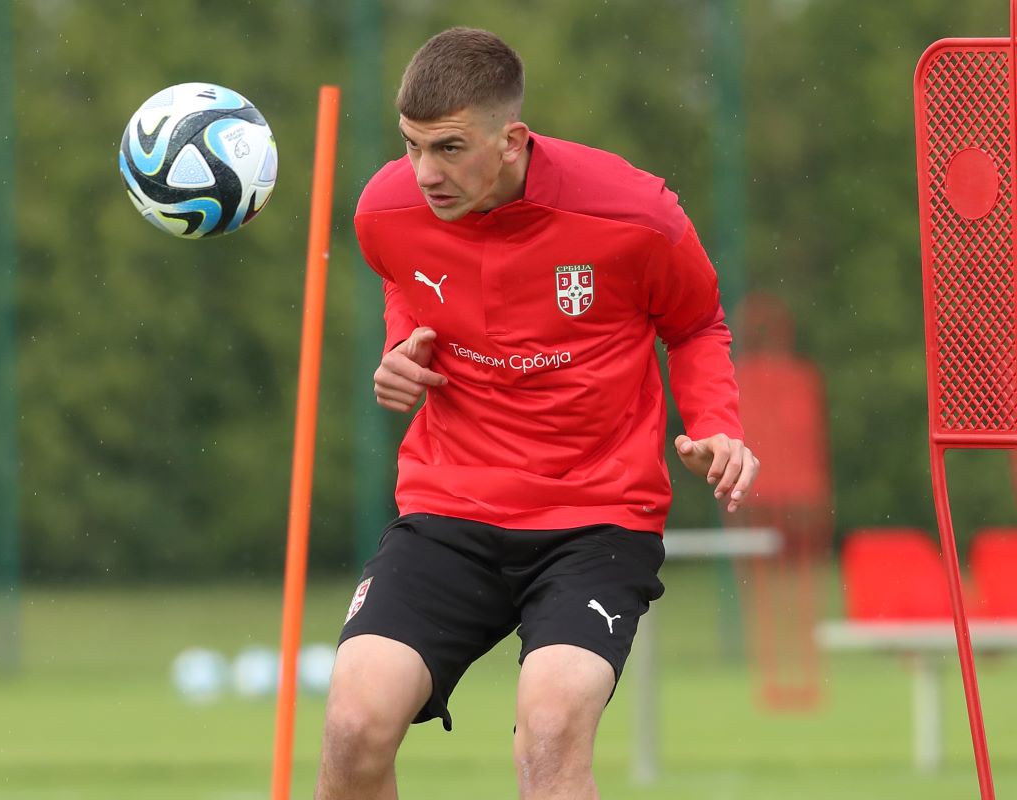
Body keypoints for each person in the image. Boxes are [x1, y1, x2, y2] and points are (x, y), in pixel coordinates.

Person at [315, 27, 760, 800]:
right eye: (412, 146)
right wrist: (403, 351)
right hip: (450, 507)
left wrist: (718, 424)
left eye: (450, 148)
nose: (425, 173)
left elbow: (694, 322)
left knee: (549, 732)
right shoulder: (385, 210)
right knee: (355, 722)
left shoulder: (635, 215)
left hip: (596, 519)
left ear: (513, 139)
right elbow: (406, 279)